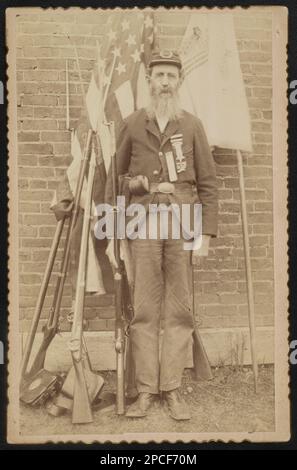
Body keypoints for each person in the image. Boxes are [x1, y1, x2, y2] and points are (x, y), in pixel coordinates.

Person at [105, 49, 218, 420]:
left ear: (180, 81)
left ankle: (172, 389)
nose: (165, 82)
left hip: (183, 224)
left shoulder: (193, 125)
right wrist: (116, 229)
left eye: (171, 75)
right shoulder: (135, 123)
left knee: (179, 309)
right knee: (146, 309)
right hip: (142, 225)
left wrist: (203, 237)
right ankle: (146, 391)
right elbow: (115, 178)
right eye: (159, 76)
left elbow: (208, 184)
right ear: (150, 82)